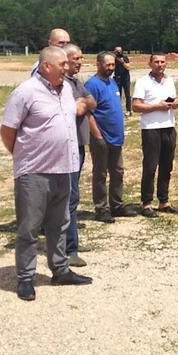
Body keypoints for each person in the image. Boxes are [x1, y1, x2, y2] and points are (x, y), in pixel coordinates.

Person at [0, 46, 93, 301]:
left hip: (64, 169)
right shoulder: (26, 92)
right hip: (34, 172)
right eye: (62, 64)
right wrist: (24, 157)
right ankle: (26, 278)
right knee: (29, 227)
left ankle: (60, 269)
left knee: (60, 224)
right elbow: (7, 131)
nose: (67, 67)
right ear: (46, 67)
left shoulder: (65, 89)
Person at [85, 51, 136, 223]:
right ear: (98, 65)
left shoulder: (113, 82)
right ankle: (101, 208)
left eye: (113, 65)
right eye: (108, 65)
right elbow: (88, 113)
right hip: (101, 137)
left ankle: (117, 205)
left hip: (116, 137)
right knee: (100, 173)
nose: (111, 68)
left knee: (117, 172)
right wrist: (97, 136)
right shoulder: (92, 85)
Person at [61, 44, 97, 268]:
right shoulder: (62, 85)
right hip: (65, 147)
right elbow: (76, 110)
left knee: (73, 195)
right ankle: (68, 248)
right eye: (75, 58)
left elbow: (91, 102)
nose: (79, 62)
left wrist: (83, 102)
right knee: (69, 197)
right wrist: (81, 104)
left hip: (78, 145)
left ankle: (71, 241)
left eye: (81, 58)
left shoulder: (76, 82)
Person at [132, 52, 178, 217]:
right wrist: (156, 107)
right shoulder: (142, 82)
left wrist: (175, 103)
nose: (160, 64)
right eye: (156, 62)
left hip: (169, 127)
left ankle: (163, 201)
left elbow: (172, 99)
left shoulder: (169, 80)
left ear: (166, 64)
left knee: (167, 166)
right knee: (150, 167)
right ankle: (146, 203)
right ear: (150, 64)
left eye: (162, 62)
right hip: (151, 128)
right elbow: (136, 106)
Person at [113, 46, 132, 114]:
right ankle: (118, 110)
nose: (118, 52)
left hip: (125, 78)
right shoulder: (113, 59)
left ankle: (129, 110)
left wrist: (122, 62)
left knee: (127, 94)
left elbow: (128, 67)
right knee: (118, 94)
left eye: (119, 51)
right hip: (117, 78)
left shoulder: (124, 57)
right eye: (117, 51)